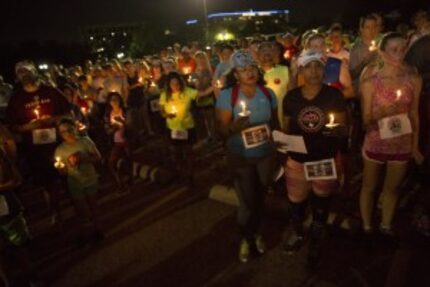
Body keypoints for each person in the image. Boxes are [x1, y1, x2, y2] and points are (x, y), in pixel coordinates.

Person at [281, 50, 348, 268]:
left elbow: (342, 127)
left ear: (324, 69)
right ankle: (299, 232)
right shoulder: (291, 97)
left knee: (321, 202)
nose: (313, 72)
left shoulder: (333, 96)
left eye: (318, 66)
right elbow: (286, 126)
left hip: (323, 159)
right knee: (297, 202)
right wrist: (282, 144)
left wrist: (336, 131)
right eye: (308, 67)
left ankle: (316, 240)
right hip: (298, 159)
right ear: (300, 70)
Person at [215, 51, 279, 263]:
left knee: (259, 198)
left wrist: (280, 148)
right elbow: (221, 131)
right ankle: (245, 237)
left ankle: (256, 233)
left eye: (252, 68)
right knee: (247, 202)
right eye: (243, 70)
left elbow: (275, 125)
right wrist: (234, 127)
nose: (249, 73)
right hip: (240, 156)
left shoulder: (269, 93)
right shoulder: (228, 96)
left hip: (265, 155)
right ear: (235, 74)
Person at [359, 32, 423, 236]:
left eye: (403, 48)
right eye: (394, 49)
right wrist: (381, 113)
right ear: (382, 52)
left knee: (393, 188)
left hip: (402, 143)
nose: (400, 53)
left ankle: (386, 225)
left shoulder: (413, 77)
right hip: (376, 142)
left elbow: (414, 114)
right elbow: (365, 120)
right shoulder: (371, 80)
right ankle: (367, 225)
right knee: (369, 187)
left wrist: (415, 147)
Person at [6, 61, 71, 225]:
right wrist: (29, 126)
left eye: (27, 70)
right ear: (17, 77)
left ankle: (79, 208)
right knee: (47, 183)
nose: (24, 74)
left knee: (68, 178)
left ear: (35, 72)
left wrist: (53, 119)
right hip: (35, 151)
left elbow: (69, 113)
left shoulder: (51, 92)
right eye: (20, 72)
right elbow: (12, 127)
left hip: (59, 144)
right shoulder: (16, 99)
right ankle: (56, 213)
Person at [55, 118, 103, 246]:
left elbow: (98, 157)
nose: (67, 133)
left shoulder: (85, 141)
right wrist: (61, 168)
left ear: (75, 128)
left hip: (90, 179)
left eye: (69, 129)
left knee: (93, 205)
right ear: (60, 134)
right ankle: (83, 232)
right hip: (75, 183)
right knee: (80, 209)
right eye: (63, 131)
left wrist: (83, 158)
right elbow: (63, 172)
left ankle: (97, 229)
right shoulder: (60, 150)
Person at [159, 72, 205, 185]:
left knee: (188, 151)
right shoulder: (165, 95)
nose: (175, 85)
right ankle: (180, 172)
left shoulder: (187, 91)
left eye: (177, 82)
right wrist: (166, 115)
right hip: (173, 129)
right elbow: (161, 110)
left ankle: (190, 175)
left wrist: (214, 87)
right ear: (168, 84)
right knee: (176, 152)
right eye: (172, 83)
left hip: (187, 127)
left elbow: (202, 94)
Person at [258, 41, 290, 129]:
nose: (266, 53)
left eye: (269, 51)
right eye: (263, 51)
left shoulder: (285, 70)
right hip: (261, 124)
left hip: (282, 122)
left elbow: (291, 96)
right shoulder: (253, 74)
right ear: (258, 55)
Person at [104, 92, 132, 192]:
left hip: (127, 140)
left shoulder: (125, 111)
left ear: (120, 100)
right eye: (112, 100)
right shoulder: (108, 114)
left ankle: (130, 180)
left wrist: (123, 122)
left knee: (128, 160)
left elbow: (132, 125)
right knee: (111, 163)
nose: (114, 102)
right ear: (109, 102)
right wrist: (113, 129)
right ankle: (120, 183)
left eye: (116, 99)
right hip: (116, 142)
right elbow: (107, 129)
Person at [192, 51, 217, 143]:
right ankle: (209, 135)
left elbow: (214, 82)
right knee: (205, 118)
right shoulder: (194, 73)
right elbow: (198, 86)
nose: (200, 60)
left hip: (211, 96)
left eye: (202, 58)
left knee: (212, 117)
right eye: (198, 59)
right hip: (201, 98)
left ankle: (214, 135)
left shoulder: (211, 70)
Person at [349, 14, 379, 86]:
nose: (371, 30)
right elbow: (352, 75)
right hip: (361, 90)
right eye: (368, 27)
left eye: (374, 27)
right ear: (361, 29)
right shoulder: (355, 49)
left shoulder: (381, 48)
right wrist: (364, 62)